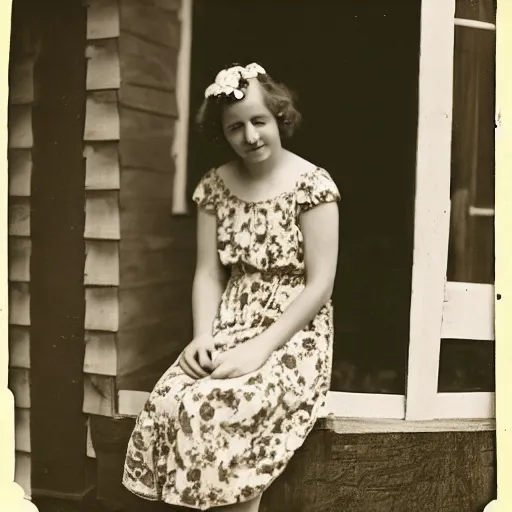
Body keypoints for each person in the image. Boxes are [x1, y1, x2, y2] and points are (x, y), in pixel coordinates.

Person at [122, 62, 340, 511]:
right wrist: (203, 336)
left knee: (223, 402)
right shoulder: (214, 188)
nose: (251, 136)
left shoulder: (311, 186)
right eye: (235, 127)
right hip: (229, 320)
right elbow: (208, 272)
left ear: (279, 116)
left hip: (292, 333)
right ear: (223, 134)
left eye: (259, 121)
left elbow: (320, 285)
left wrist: (260, 349)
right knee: (170, 398)